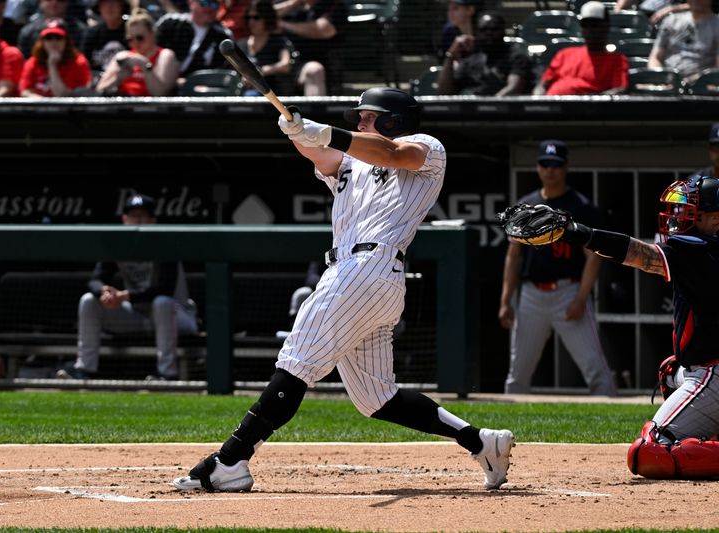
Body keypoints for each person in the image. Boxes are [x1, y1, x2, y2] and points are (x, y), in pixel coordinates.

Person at [171, 87, 515, 493]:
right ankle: (480, 441)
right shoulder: (353, 159)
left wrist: (326, 132)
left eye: (368, 117)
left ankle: (231, 460)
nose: (360, 122)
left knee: (297, 361)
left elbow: (388, 154)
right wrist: (298, 132)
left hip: (368, 268)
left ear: (392, 120)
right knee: (377, 397)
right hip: (360, 275)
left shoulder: (426, 147)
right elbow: (323, 154)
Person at [505, 175, 719, 478]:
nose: (678, 217)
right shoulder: (706, 247)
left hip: (713, 373)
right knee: (671, 372)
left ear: (714, 220)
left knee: (649, 452)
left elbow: (640, 255)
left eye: (691, 212)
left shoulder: (699, 248)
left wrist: (578, 233)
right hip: (707, 366)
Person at [499, 140, 616, 396]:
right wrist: (505, 301)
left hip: (568, 292)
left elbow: (594, 257)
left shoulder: (580, 206)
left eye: (556, 165)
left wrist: (581, 298)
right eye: (545, 164)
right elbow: (513, 255)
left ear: (565, 167)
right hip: (531, 294)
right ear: (538, 167)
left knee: (596, 370)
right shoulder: (526, 206)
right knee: (517, 373)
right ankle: (511, 430)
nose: (550, 170)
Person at [57, 194, 199, 381]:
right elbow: (95, 279)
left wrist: (123, 296)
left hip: (179, 316)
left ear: (153, 220)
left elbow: (163, 288)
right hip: (138, 316)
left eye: (142, 216)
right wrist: (105, 292)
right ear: (124, 219)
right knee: (89, 301)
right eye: (132, 215)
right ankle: (84, 369)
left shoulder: (165, 245)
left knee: (162, 302)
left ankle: (167, 374)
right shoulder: (119, 245)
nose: (137, 220)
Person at [533, 1, 628, 96]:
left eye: (595, 25)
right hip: (551, 107)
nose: (590, 30)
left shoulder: (617, 60)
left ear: (606, 27)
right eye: (585, 25)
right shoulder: (564, 54)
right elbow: (543, 85)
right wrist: (536, 102)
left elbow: (618, 90)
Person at [436, 12, 532, 96]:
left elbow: (513, 89)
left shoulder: (516, 57)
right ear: (477, 33)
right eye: (484, 30)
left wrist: (489, 107)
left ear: (503, 32)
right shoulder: (471, 60)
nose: (489, 33)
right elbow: (444, 92)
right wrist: (451, 56)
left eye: (494, 29)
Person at [95, 7, 177, 95]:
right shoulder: (124, 57)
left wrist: (145, 66)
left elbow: (159, 93)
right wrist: (118, 78)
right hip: (122, 104)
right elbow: (99, 90)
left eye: (140, 38)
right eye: (130, 39)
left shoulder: (164, 55)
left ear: (152, 34)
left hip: (150, 107)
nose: (135, 43)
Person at [275, 0, 347, 96]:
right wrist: (292, 4)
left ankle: (315, 111)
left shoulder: (334, 5)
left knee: (314, 70)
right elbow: (262, 16)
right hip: (280, 64)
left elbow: (324, 29)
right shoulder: (288, 4)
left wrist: (283, 25)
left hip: (319, 67)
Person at [153, 0, 232, 83]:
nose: (209, 9)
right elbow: (150, 49)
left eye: (214, 4)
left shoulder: (224, 36)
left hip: (198, 87)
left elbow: (221, 70)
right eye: (204, 3)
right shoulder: (170, 23)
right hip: (159, 79)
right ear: (191, 3)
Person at [648, 0, 719, 81]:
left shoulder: (716, 26)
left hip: (702, 85)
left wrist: (692, 81)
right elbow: (655, 57)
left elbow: (717, 68)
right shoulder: (671, 21)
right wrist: (659, 77)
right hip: (668, 81)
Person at [19, 18, 91, 97]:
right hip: (39, 107)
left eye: (58, 38)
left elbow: (62, 95)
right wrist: (43, 103)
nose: (54, 42)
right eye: (48, 38)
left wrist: (52, 65)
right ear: (42, 42)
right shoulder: (33, 62)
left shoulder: (78, 62)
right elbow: (25, 92)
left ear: (66, 41)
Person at [236, 0, 292, 95]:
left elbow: (285, 65)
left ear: (267, 18)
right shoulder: (241, 44)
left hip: (271, 94)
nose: (251, 21)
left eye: (256, 17)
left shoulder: (278, 41)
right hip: (243, 93)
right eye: (248, 17)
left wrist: (261, 72)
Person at [16, 0, 87, 58]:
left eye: (60, 0)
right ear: (40, 2)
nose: (54, 2)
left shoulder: (82, 31)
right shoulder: (28, 32)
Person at [80, 0, 129, 75]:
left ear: (121, 7)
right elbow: (84, 63)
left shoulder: (131, 31)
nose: (109, 7)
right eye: (104, 4)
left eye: (113, 3)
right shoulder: (91, 33)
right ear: (99, 8)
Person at [438, 0, 481, 64]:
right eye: (449, 9)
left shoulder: (485, 33)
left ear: (470, 10)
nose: (450, 13)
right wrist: (452, 52)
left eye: (455, 8)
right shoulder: (449, 34)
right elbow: (442, 63)